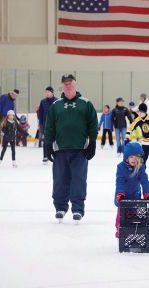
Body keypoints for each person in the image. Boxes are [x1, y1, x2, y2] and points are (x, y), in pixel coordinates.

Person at [44, 74, 98, 223]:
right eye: (65, 83)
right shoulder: (56, 105)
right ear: (62, 86)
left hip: (80, 150)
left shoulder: (85, 104)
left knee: (78, 180)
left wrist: (92, 142)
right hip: (60, 150)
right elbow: (49, 126)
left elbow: (93, 123)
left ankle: (78, 209)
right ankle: (60, 207)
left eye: (70, 83)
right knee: (60, 180)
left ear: (75, 85)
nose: (68, 85)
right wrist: (48, 144)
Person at [114, 142, 149, 238]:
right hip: (122, 196)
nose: (134, 159)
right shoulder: (121, 167)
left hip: (135, 195)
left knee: (133, 215)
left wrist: (147, 194)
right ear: (126, 157)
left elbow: (145, 181)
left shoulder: (140, 168)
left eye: (136, 157)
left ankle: (132, 231)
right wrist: (120, 193)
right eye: (131, 157)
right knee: (121, 215)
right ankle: (120, 229)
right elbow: (119, 182)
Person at [125, 103, 149, 169]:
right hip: (144, 143)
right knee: (142, 161)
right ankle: (142, 175)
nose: (139, 113)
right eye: (138, 112)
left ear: (145, 112)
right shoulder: (138, 119)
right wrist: (127, 138)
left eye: (141, 112)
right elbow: (130, 128)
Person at [38, 86, 57, 162]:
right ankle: (45, 156)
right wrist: (41, 124)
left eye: (48, 92)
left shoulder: (57, 101)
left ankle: (56, 155)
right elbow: (40, 114)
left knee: (56, 141)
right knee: (46, 141)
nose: (47, 93)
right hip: (46, 125)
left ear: (52, 92)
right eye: (46, 92)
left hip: (55, 125)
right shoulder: (43, 102)